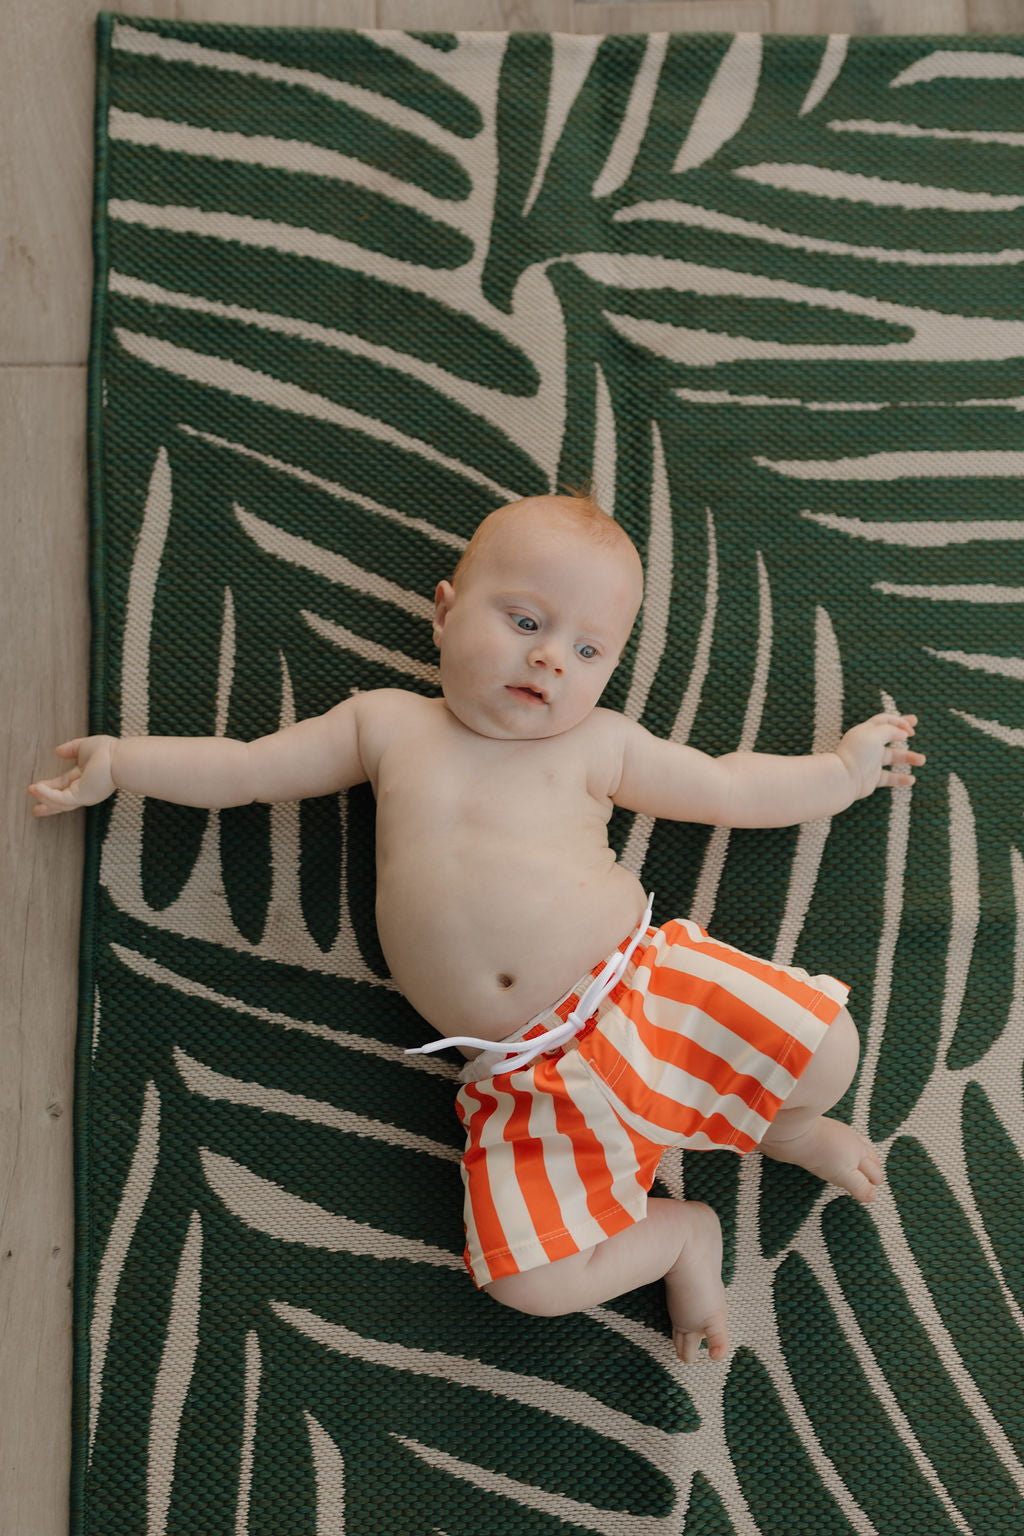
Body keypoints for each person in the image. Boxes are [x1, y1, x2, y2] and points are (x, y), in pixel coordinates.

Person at [29, 492, 924, 1363]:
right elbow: (249, 768)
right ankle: (682, 1236)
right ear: (445, 614)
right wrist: (125, 762)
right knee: (525, 1279)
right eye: (525, 622)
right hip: (523, 1078)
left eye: (587, 648)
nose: (550, 664)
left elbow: (729, 789)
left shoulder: (595, 743)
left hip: (639, 988)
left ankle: (786, 1126)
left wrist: (842, 773)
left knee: (832, 1048)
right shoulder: (385, 724)